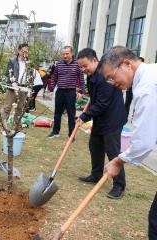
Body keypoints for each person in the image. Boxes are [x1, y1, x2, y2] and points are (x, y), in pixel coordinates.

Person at [99, 46, 157, 239]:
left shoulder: (147, 87)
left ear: (126, 64)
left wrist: (118, 161)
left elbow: (143, 141)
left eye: (112, 76)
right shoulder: (151, 75)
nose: (112, 83)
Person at [76, 48, 127, 199]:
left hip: (112, 119)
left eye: (85, 65)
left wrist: (84, 116)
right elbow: (96, 98)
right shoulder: (92, 76)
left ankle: (119, 185)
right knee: (95, 146)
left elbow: (102, 103)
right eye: (81, 67)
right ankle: (96, 175)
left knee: (113, 153)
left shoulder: (105, 75)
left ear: (94, 60)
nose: (83, 69)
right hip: (100, 118)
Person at [48, 46, 85, 139]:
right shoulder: (59, 64)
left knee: (71, 114)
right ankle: (55, 132)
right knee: (57, 113)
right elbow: (54, 77)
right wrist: (51, 89)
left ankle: (71, 135)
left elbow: (81, 79)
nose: (65, 56)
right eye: (63, 54)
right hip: (60, 91)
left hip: (71, 92)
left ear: (72, 53)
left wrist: (81, 91)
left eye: (67, 53)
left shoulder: (77, 64)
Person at [2, 43, 39, 128]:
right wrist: (13, 82)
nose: (24, 54)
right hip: (13, 87)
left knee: (20, 108)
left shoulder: (29, 63)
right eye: (23, 52)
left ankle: (17, 125)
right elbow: (9, 73)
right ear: (19, 51)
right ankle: (4, 125)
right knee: (7, 107)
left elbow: (31, 75)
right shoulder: (13, 61)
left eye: (26, 52)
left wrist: (30, 84)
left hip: (24, 88)